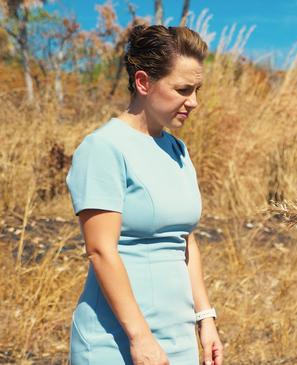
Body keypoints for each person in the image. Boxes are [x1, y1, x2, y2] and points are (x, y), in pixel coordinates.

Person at [67, 25, 223, 365]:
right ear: (143, 82)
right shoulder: (103, 148)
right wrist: (140, 337)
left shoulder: (178, 150)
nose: (193, 102)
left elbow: (185, 239)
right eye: (183, 89)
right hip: (118, 342)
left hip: (177, 339)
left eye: (197, 89)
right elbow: (100, 250)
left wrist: (205, 318)